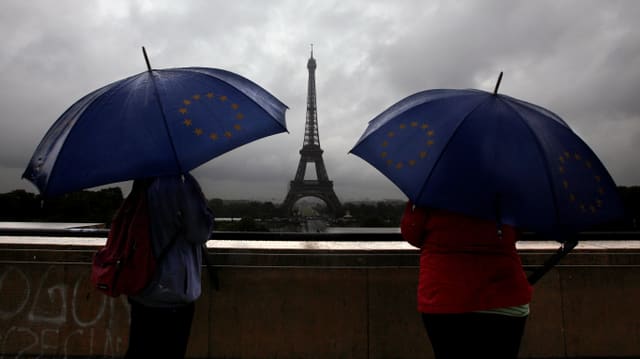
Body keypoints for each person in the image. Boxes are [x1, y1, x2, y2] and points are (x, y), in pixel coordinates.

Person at [400, 201, 532, 359]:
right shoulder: (506, 188)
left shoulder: (432, 188)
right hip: (504, 296)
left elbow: (412, 233)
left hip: (444, 297)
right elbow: (516, 231)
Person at [124, 173, 214, 359]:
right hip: (172, 293)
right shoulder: (181, 183)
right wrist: (205, 209)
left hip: (142, 288)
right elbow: (199, 233)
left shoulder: (143, 182)